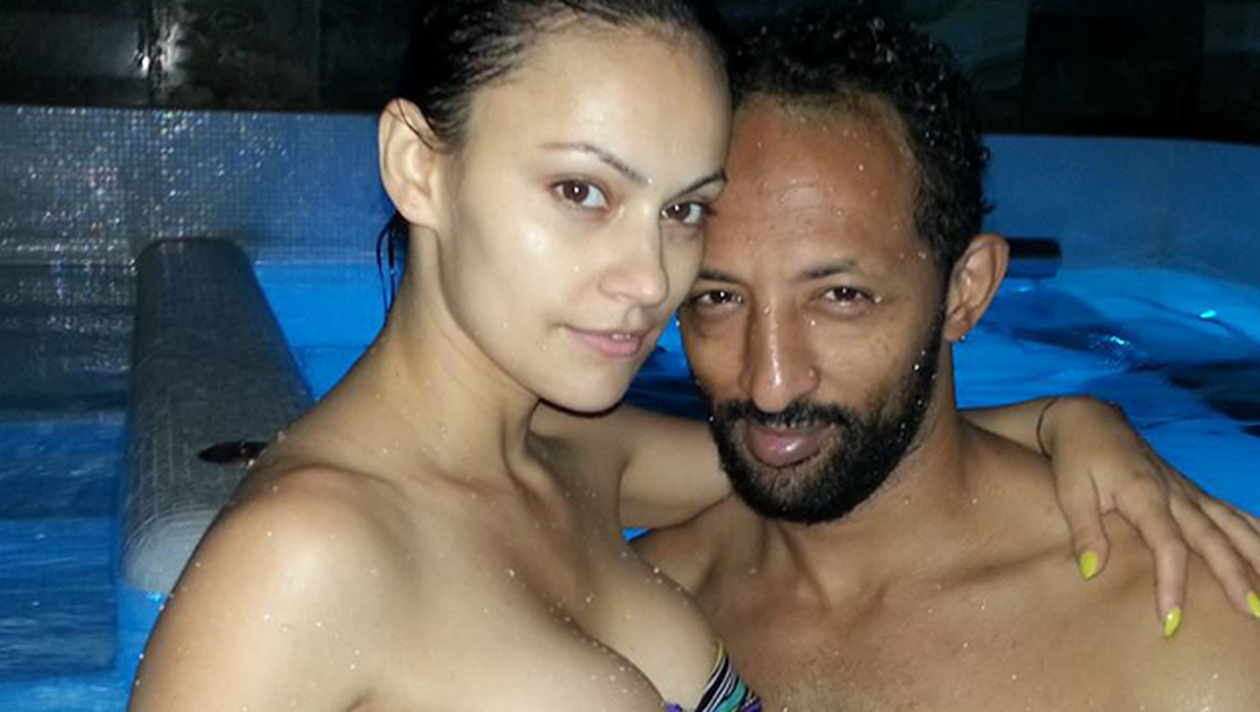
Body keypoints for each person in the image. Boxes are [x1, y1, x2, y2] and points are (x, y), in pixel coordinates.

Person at [129, 1, 1257, 710]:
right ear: (418, 166)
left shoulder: (574, 455)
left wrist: (1072, 420)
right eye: (581, 191)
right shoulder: (304, 555)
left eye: (681, 211)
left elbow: (825, 445)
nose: (646, 279)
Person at [627, 6, 1260, 711]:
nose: (771, 384)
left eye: (841, 296)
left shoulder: (1185, 634)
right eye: (718, 297)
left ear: (967, 292)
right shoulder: (640, 609)